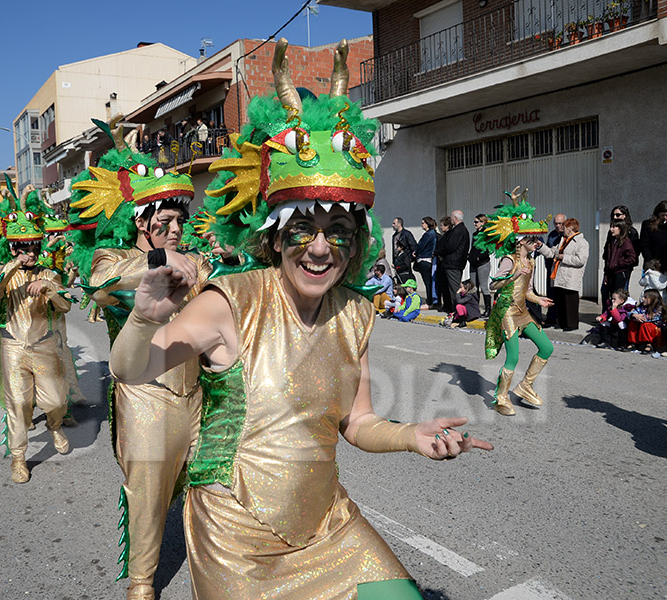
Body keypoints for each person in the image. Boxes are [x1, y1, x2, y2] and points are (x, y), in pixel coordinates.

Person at [111, 39, 492, 599]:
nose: (320, 248)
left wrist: (413, 435)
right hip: (235, 530)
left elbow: (356, 424)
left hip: (327, 525)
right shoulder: (233, 299)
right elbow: (132, 369)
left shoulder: (356, 313)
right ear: (275, 235)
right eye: (303, 230)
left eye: (337, 232)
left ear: (356, 240)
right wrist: (144, 319)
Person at [68, 118, 211, 600]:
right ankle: (142, 583)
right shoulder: (114, 259)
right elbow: (101, 281)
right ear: (141, 225)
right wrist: (158, 266)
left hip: (198, 395)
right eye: (164, 224)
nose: (175, 231)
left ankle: (214, 568)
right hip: (144, 395)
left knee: (209, 485)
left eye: (179, 222)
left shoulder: (196, 259)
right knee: (148, 496)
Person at [0, 190, 72, 484]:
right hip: (13, 348)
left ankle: (55, 425)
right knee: (18, 404)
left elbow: (66, 305)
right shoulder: (6, 273)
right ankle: (19, 458)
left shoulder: (48, 274)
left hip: (44, 346)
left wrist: (50, 288)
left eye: (33, 247)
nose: (30, 253)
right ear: (13, 248)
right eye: (23, 248)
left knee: (56, 400)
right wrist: (9, 270)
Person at [476, 187, 554, 416]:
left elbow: (526, 291)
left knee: (547, 347)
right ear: (521, 242)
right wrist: (512, 276)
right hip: (507, 312)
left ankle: (525, 386)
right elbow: (493, 286)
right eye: (532, 240)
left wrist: (538, 299)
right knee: (513, 356)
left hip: (522, 311)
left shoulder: (531, 261)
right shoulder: (509, 261)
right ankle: (501, 398)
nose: (536, 243)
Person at [537, 218, 589, 331]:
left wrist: (563, 257)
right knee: (561, 302)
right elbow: (552, 253)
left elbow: (581, 260)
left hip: (570, 278)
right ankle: (562, 323)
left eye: (564, 227)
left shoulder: (582, 242)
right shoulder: (563, 240)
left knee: (570, 302)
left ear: (570, 228)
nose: (561, 229)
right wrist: (540, 246)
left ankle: (571, 325)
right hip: (559, 277)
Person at [641, 201, 667, 313]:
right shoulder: (648, 224)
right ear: (657, 213)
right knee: (653, 293)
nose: (665, 217)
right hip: (654, 263)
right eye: (662, 215)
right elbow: (644, 245)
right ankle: (652, 316)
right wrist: (650, 263)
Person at [437, 210, 470, 314]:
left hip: (453, 263)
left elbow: (450, 246)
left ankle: (458, 310)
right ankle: (454, 308)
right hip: (454, 263)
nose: (451, 220)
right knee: (451, 288)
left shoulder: (459, 230)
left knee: (454, 289)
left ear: (455, 218)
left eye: (451, 218)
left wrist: (440, 251)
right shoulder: (460, 230)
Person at [601, 219, 637, 311]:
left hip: (620, 273)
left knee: (617, 297)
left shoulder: (626, 242)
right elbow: (608, 258)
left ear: (620, 228)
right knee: (609, 297)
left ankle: (618, 318)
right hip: (610, 273)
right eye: (611, 227)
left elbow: (632, 258)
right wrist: (606, 274)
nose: (611, 229)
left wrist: (618, 264)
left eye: (614, 227)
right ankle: (608, 318)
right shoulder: (612, 241)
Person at [626, 289, 667, 354]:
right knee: (633, 322)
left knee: (646, 325)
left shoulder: (659, 308)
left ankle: (649, 344)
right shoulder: (642, 307)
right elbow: (629, 314)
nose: (643, 299)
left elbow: (648, 319)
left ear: (652, 298)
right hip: (642, 330)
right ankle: (633, 343)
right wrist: (634, 315)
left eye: (645, 297)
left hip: (656, 332)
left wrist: (638, 317)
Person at [468, 214, 491, 317]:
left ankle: (488, 309)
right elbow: (473, 248)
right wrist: (470, 257)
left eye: (476, 222)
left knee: (484, 286)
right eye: (474, 222)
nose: (474, 224)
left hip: (482, 263)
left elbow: (488, 249)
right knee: (473, 287)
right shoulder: (474, 234)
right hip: (473, 263)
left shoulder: (486, 234)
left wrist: (479, 257)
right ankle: (475, 308)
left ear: (482, 222)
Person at [415, 216, 437, 306]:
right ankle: (431, 299)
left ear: (427, 224)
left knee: (427, 282)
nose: (422, 225)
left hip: (425, 259)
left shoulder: (428, 234)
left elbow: (421, 246)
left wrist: (416, 253)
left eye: (423, 223)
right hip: (428, 259)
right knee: (429, 282)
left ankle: (430, 300)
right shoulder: (433, 233)